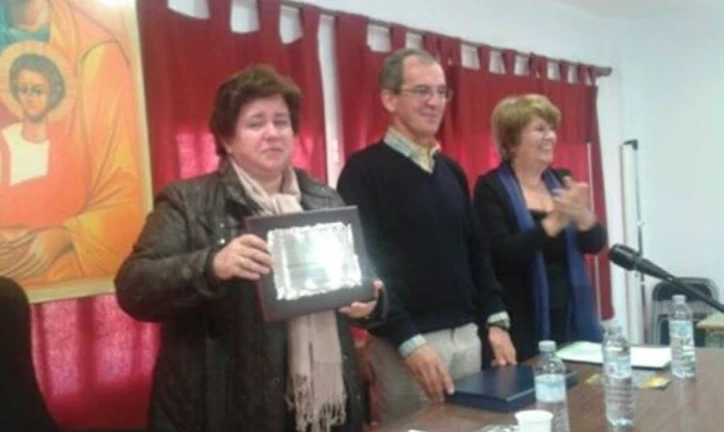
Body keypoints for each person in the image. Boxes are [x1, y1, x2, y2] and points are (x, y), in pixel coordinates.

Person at [115, 65, 386, 432]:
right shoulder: (188, 201)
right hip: (227, 405)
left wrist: (370, 303)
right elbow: (133, 287)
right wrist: (212, 265)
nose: (272, 133)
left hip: (322, 408)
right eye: (256, 123)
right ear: (227, 139)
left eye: (281, 121)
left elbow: (364, 279)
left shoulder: (323, 199)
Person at [336, 48, 517, 424]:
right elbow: (365, 271)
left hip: (467, 338)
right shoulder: (362, 172)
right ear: (389, 99)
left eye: (441, 92)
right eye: (421, 91)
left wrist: (496, 322)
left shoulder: (451, 170)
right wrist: (409, 342)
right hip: (406, 347)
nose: (434, 102)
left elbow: (476, 252)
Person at [0, 0, 144, 286]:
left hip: (54, 274)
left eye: (37, 91)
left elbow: (125, 196)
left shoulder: (95, 55)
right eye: (23, 90)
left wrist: (65, 236)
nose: (29, 99)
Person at [474, 94, 606, 362]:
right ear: (512, 142)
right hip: (522, 322)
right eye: (540, 129)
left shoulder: (561, 179)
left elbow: (594, 244)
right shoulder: (491, 188)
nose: (550, 137)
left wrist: (582, 215)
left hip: (570, 314)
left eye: (552, 129)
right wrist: (554, 222)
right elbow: (501, 255)